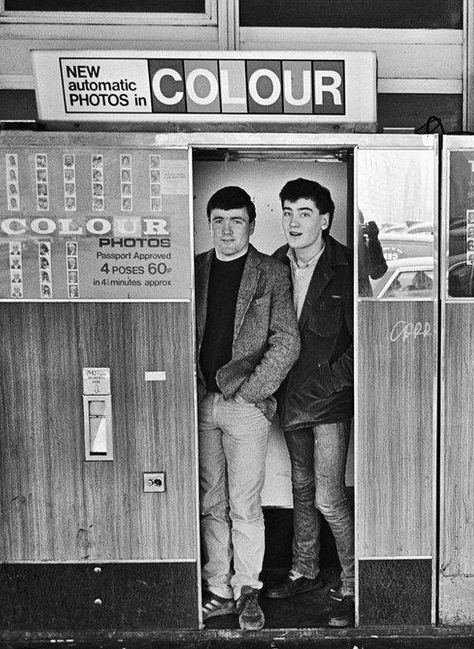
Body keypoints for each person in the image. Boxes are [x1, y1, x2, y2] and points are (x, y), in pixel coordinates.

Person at [196, 186, 300, 630]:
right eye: (218, 219)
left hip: (244, 404)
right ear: (209, 223)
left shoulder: (270, 272)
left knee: (245, 503)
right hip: (200, 402)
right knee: (210, 500)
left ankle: (247, 590)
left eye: (236, 220)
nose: (226, 229)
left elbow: (286, 342)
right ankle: (217, 588)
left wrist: (252, 394)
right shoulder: (196, 268)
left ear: (252, 225)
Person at [265, 178, 356, 628]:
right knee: (300, 490)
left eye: (303, 212)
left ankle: (355, 581)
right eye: (287, 212)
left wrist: (328, 387)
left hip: (328, 403)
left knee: (329, 496)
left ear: (324, 219)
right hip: (289, 399)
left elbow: (362, 346)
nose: (293, 221)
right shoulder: (276, 268)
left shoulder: (345, 267)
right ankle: (304, 571)